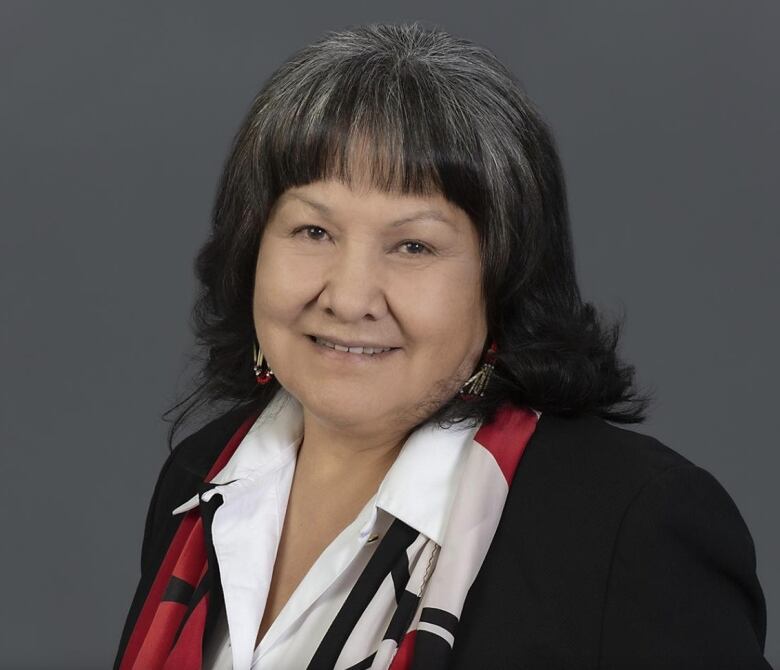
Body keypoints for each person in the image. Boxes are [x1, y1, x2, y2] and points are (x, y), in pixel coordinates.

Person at [113, 22, 772, 670]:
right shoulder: (201, 481)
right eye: (313, 231)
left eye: (413, 245)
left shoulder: (629, 527)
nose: (348, 296)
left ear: (504, 279)